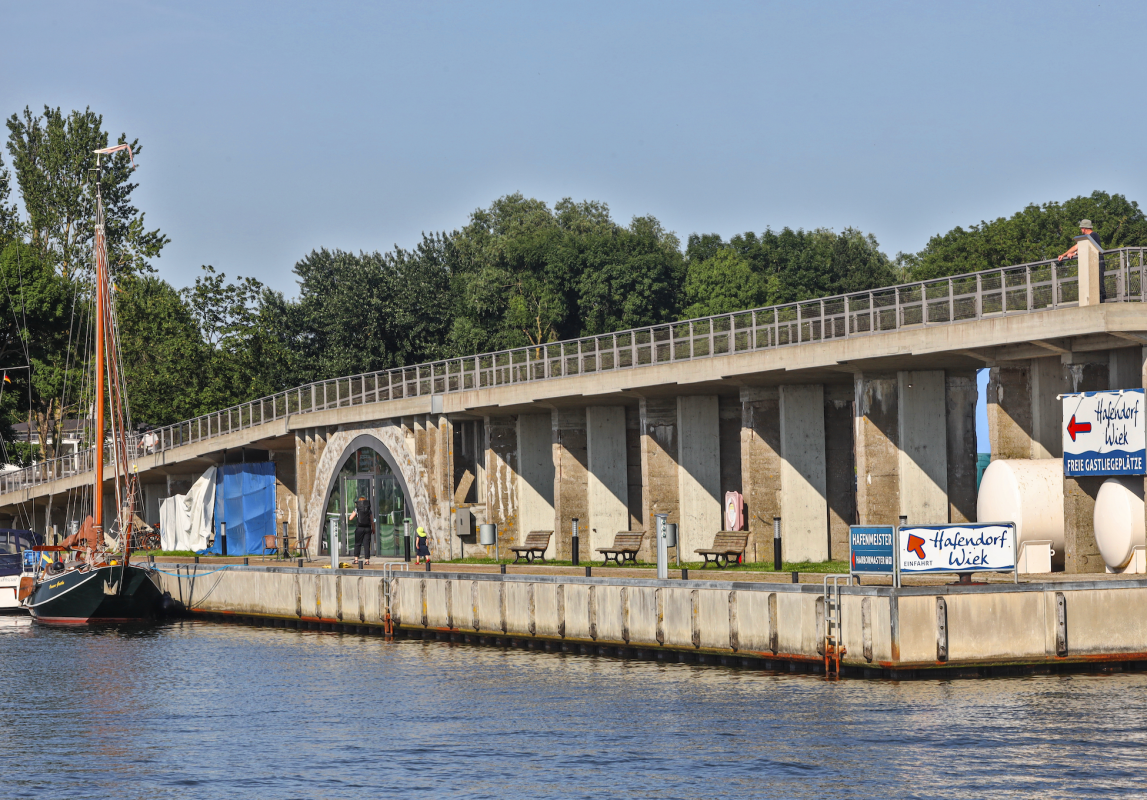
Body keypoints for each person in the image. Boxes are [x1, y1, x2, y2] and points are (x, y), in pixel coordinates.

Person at [347, 495, 374, 567]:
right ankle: (367, 561)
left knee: (358, 543)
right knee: (366, 545)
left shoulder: (357, 509)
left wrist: (356, 516)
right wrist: (373, 528)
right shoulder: (369, 509)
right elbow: (372, 520)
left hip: (359, 528)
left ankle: (356, 559)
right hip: (368, 528)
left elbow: (350, 518)